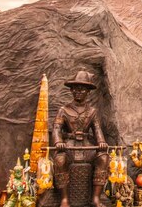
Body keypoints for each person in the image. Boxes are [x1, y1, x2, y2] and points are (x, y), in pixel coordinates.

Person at [53, 70, 109, 207]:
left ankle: (96, 198)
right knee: (60, 160)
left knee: (103, 158)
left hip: (87, 147)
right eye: (75, 89)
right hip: (69, 147)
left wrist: (101, 142)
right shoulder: (64, 110)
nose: (78, 92)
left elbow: (97, 129)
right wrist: (58, 142)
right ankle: (64, 200)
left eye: (82, 89)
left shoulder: (92, 112)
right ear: (71, 91)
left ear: (88, 92)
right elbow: (56, 129)